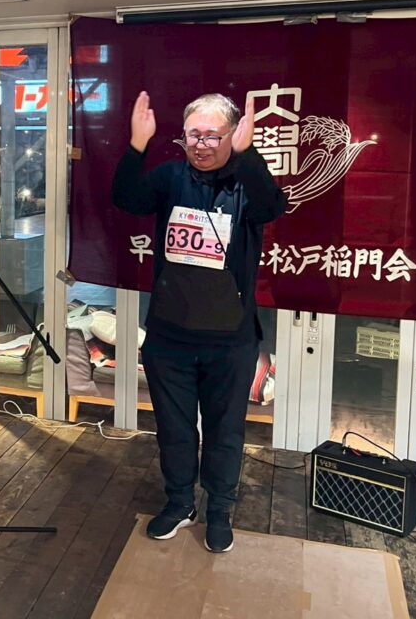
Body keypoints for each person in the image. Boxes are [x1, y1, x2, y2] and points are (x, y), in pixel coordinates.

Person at [112, 90, 286, 553]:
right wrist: (137, 145)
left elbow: (272, 207)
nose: (201, 144)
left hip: (230, 339)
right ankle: (179, 503)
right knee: (174, 428)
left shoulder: (245, 182)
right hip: (169, 335)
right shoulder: (170, 177)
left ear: (231, 136)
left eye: (212, 135)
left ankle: (220, 509)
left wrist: (248, 156)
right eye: (193, 135)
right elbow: (126, 198)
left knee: (225, 430)